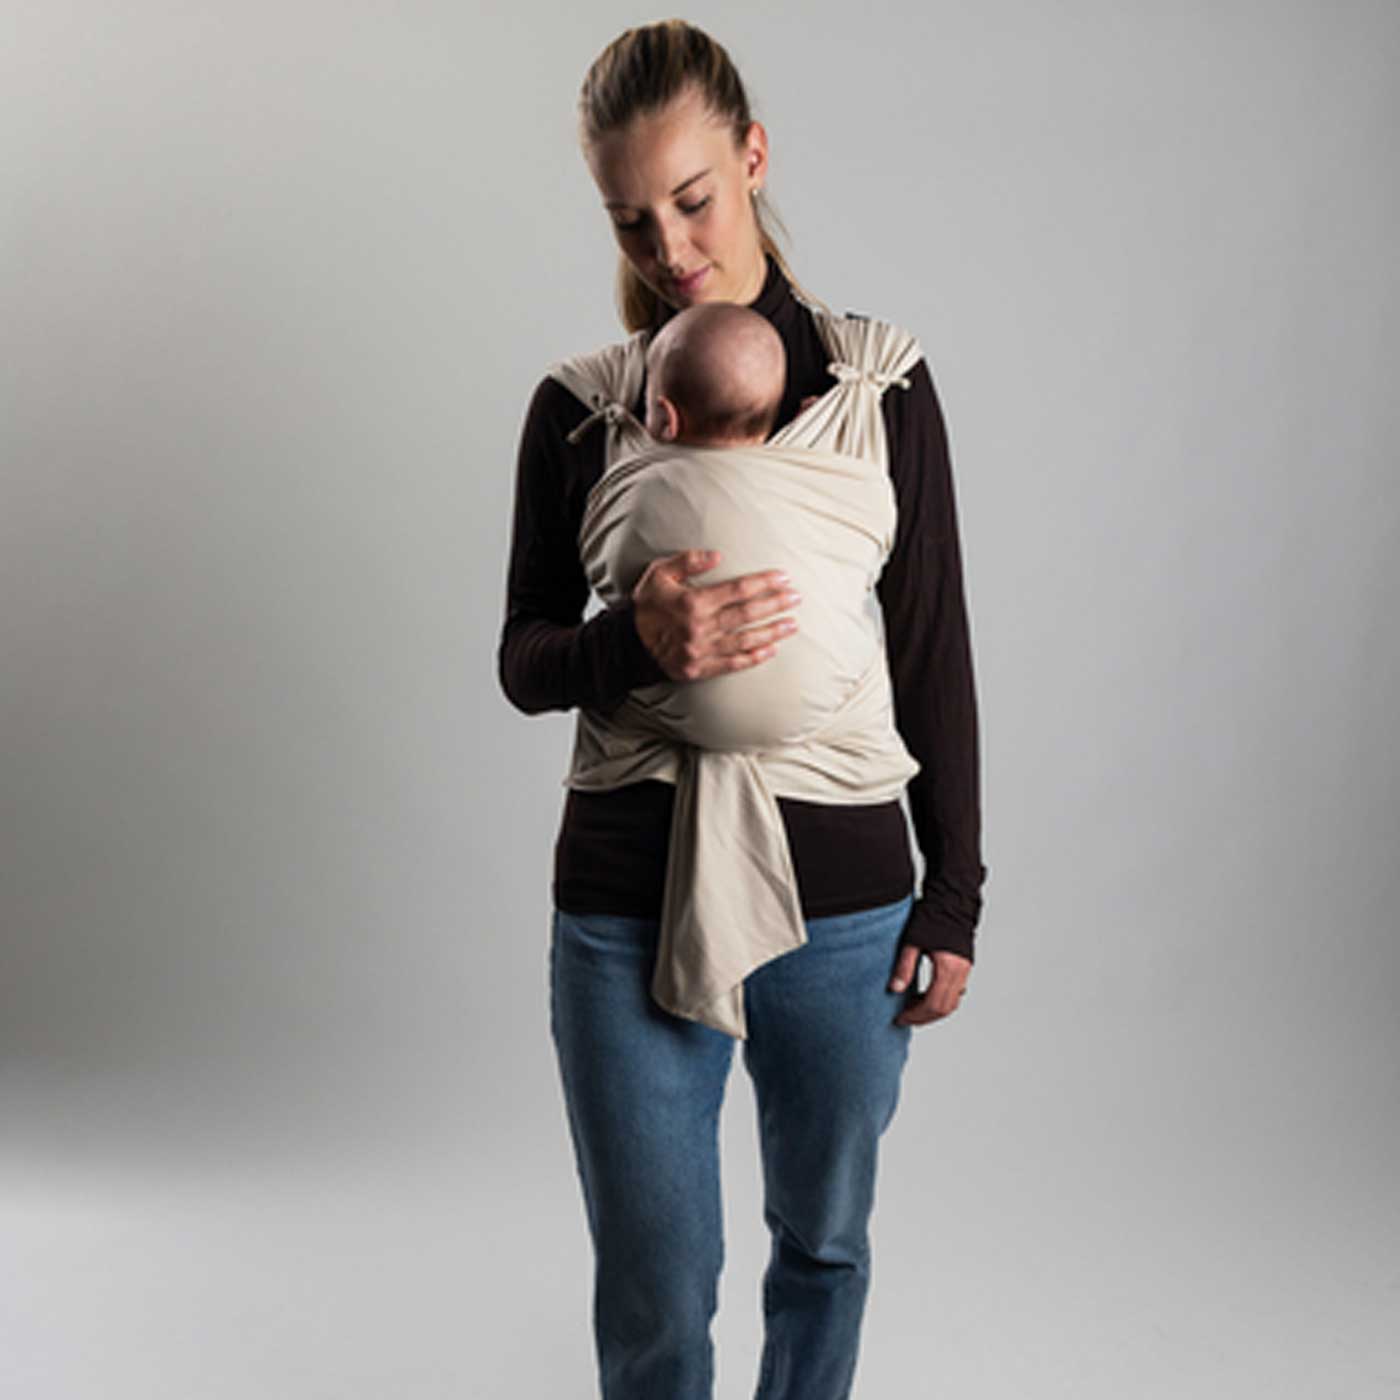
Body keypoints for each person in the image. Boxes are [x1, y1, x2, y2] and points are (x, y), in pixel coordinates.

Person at [497, 19, 987, 1400]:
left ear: (754, 157)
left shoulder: (879, 389)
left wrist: (954, 895)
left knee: (823, 1246)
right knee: (656, 1287)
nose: (668, 246)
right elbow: (524, 658)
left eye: (693, 198)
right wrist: (628, 644)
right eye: (631, 219)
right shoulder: (585, 413)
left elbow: (932, 650)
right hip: (625, 901)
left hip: (849, 909)